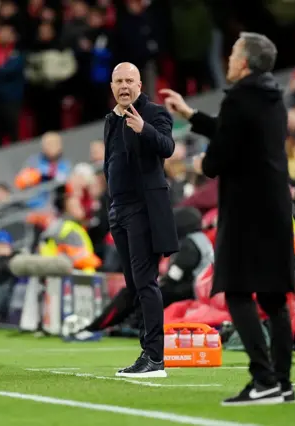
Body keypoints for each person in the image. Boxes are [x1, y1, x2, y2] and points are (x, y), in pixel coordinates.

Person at [161, 32, 295, 406]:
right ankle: (282, 382)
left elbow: (218, 159)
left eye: (234, 53)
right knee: (273, 298)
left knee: (236, 292)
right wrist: (190, 115)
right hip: (276, 210)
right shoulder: (271, 96)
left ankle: (263, 379)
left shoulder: (239, 98)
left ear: (245, 63)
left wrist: (202, 163)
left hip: (246, 210)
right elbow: (233, 129)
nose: (229, 58)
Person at [103, 62, 178, 378]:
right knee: (135, 285)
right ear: (112, 86)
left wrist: (143, 129)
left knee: (146, 282)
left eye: (129, 81)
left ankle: (155, 358)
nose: (123, 86)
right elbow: (111, 163)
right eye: (118, 81)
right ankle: (147, 354)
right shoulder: (111, 119)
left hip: (143, 210)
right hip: (119, 210)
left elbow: (168, 147)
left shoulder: (154, 112)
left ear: (139, 84)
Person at [74, 206, 213, 340]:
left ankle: (97, 327)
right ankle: (131, 323)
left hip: (191, 292)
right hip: (198, 292)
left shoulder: (190, 244)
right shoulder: (201, 240)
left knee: (134, 292)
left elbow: (174, 277)